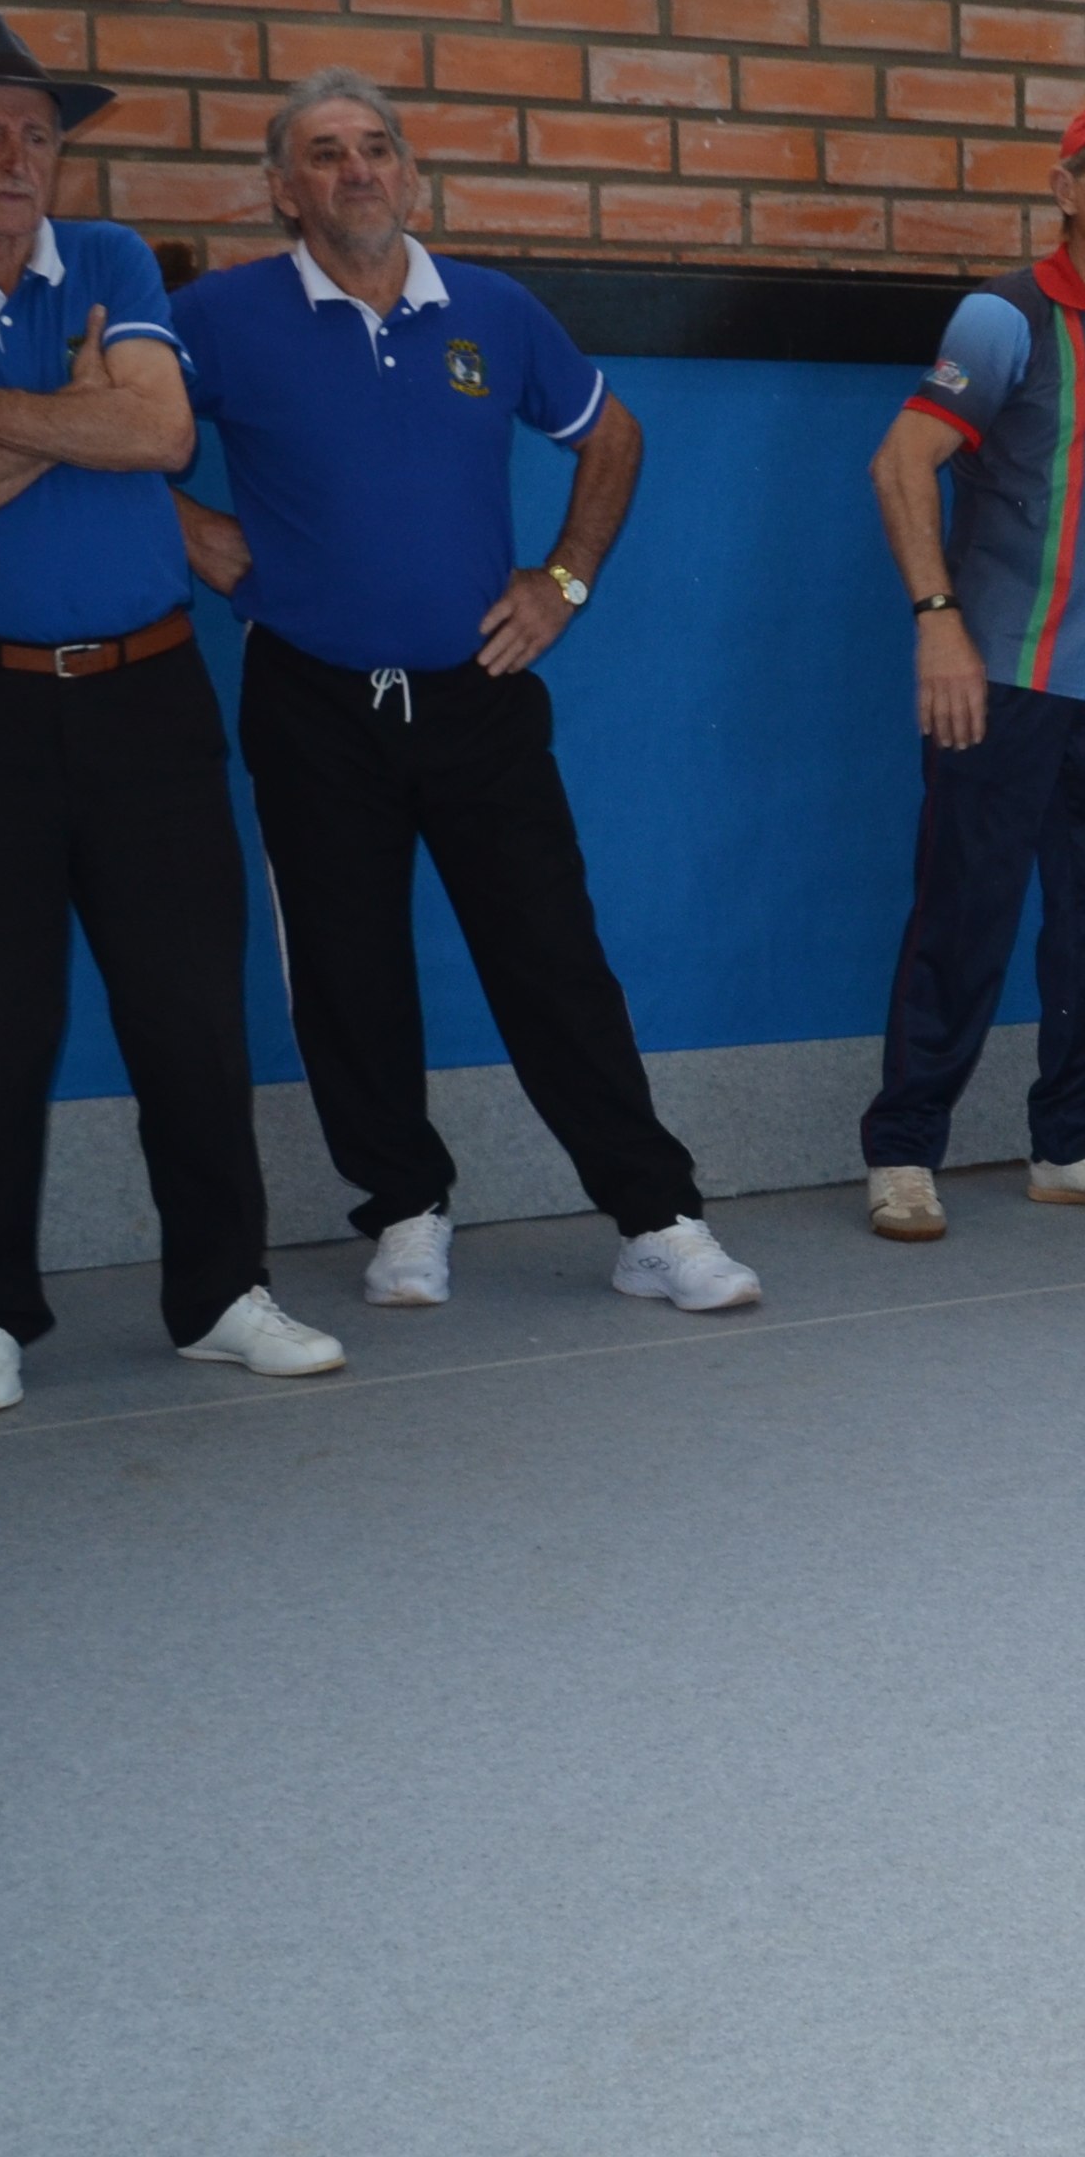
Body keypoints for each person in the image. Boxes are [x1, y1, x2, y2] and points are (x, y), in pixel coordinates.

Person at [0, 11, 343, 1417]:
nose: (20, 157)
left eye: (40, 133)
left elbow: (158, 434)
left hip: (145, 697)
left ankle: (222, 1294)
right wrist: (66, 399)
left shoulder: (104, 258)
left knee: (189, 1016)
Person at [171, 70, 760, 1317]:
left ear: (409, 174)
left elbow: (613, 436)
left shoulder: (488, 310)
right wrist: (196, 534)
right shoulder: (221, 316)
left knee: (554, 961)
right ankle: (403, 1211)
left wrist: (567, 580)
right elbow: (106, 417)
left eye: (376, 149)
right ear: (283, 189)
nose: (357, 172)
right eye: (325, 155)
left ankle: (654, 1219)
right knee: (346, 972)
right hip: (312, 699)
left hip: (477, 701)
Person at [856, 98, 1085, 1242]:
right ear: (1065, 189)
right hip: (998, 678)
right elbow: (900, 460)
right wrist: (937, 624)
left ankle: (1071, 1144)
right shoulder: (1001, 317)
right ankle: (905, 1152)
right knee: (961, 916)